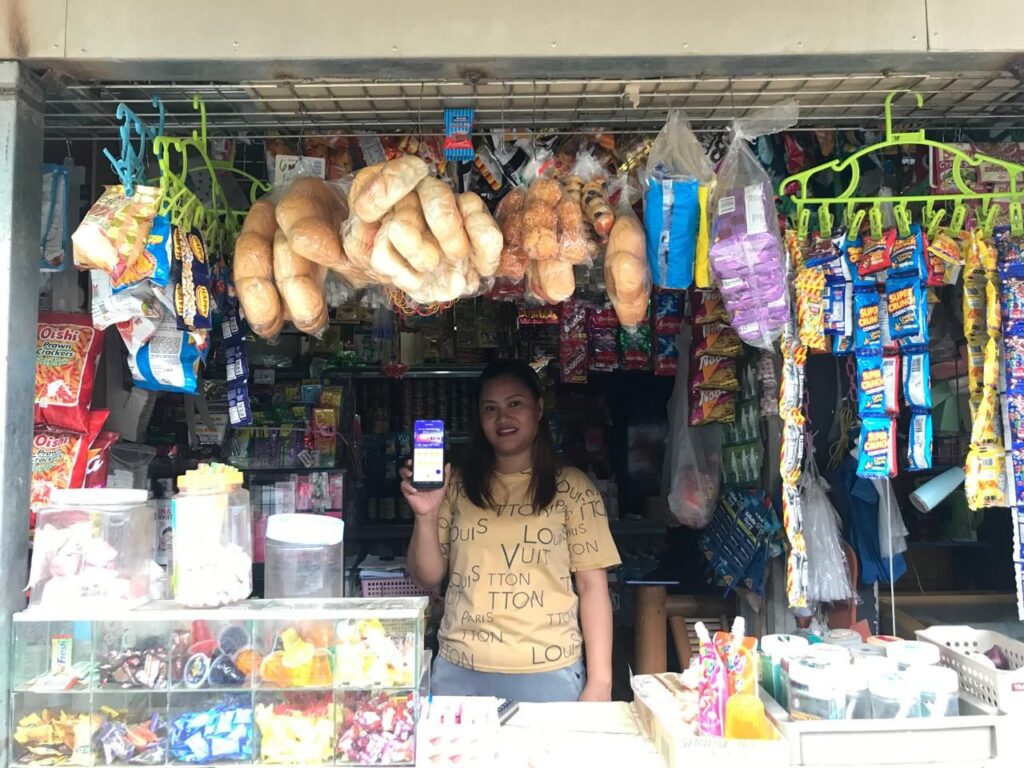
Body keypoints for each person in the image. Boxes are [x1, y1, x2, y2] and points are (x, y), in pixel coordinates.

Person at [402, 360, 620, 702]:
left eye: (514, 404)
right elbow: (426, 577)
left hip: (550, 674)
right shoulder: (454, 485)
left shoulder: (574, 488)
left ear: (539, 408)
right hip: (460, 673)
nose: (503, 418)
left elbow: (593, 587)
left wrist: (600, 683)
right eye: (490, 408)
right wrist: (426, 516)